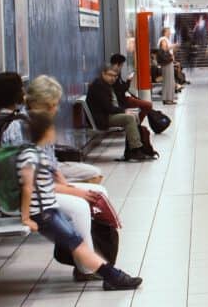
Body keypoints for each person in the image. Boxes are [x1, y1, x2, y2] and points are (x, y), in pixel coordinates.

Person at [17, 110, 143, 290]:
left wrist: (69, 189)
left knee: (78, 244)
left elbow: (50, 180)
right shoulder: (29, 157)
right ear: (45, 132)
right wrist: (26, 217)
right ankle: (114, 277)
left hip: (49, 210)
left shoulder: (38, 154)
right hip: (43, 214)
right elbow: (28, 188)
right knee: (78, 245)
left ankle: (112, 276)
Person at [0, 75, 110, 281]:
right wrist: (74, 191)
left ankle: (89, 256)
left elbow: (49, 166)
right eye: (53, 105)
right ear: (42, 104)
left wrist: (66, 183)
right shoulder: (20, 129)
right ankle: (87, 267)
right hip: (25, 199)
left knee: (99, 192)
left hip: (38, 191)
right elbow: (30, 182)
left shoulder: (38, 122)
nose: (57, 109)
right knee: (79, 207)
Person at [86, 65, 155, 161]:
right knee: (129, 118)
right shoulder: (99, 86)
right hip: (102, 118)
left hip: (105, 115)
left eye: (115, 76)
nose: (113, 78)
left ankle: (134, 150)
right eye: (110, 75)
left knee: (132, 116)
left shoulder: (104, 84)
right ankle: (135, 149)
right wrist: (124, 111)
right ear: (103, 74)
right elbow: (108, 108)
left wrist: (125, 111)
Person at [109, 54, 152, 125]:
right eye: (121, 65)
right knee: (147, 105)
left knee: (146, 105)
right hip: (123, 100)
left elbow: (121, 87)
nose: (121, 67)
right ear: (117, 64)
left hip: (124, 98)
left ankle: (136, 124)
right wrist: (128, 81)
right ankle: (136, 125)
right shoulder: (114, 75)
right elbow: (121, 89)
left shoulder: (116, 73)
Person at [157, 28, 177, 105]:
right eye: (168, 31)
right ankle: (167, 99)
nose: (169, 33)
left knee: (170, 81)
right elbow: (165, 53)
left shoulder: (165, 44)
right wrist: (172, 48)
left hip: (169, 63)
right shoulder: (163, 40)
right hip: (166, 65)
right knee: (168, 81)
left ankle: (169, 98)